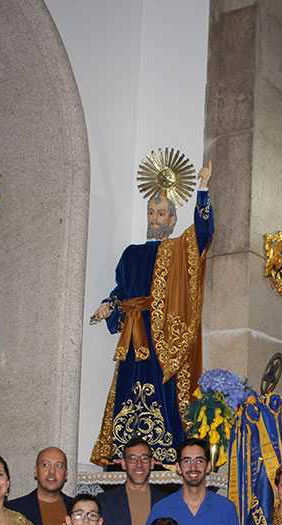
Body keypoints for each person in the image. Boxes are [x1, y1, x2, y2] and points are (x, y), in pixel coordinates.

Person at [90, 163, 214, 467]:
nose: (154, 219)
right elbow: (122, 289)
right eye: (150, 213)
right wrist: (110, 304)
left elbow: (203, 234)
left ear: (172, 220)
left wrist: (203, 190)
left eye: (161, 214)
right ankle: (124, 452)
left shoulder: (176, 249)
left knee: (163, 390)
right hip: (133, 336)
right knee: (126, 388)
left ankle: (164, 452)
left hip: (161, 336)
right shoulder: (130, 253)